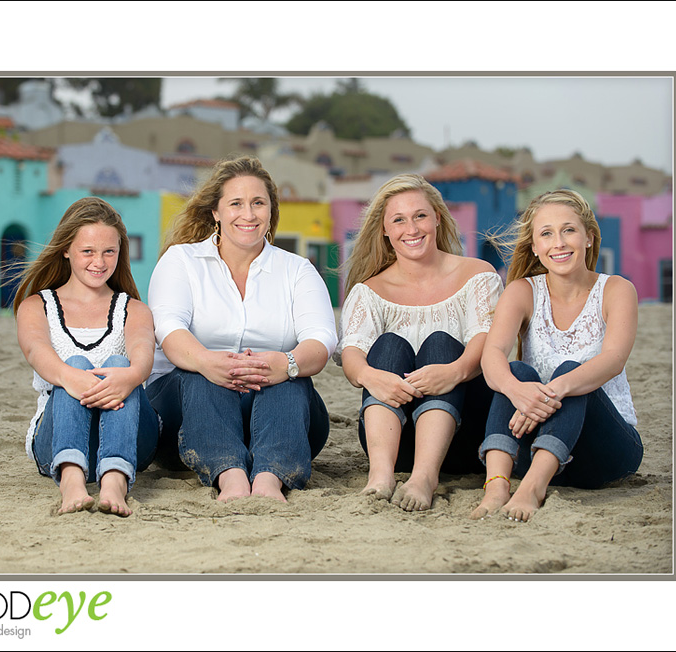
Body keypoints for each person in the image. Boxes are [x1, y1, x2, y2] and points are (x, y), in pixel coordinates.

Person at [146, 155, 337, 503]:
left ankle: (269, 479)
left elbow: (322, 338)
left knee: (286, 373)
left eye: (258, 203)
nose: (248, 214)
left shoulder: (297, 270)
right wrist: (208, 361)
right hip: (187, 414)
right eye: (236, 203)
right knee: (199, 372)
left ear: (270, 211)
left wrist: (284, 364)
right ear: (216, 212)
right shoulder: (181, 261)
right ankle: (230, 477)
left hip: (278, 416)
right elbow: (168, 329)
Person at [470, 189, 643, 522]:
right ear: (535, 246)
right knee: (516, 370)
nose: (559, 242)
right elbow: (491, 355)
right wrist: (514, 387)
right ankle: (496, 487)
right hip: (533, 448)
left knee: (572, 372)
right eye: (546, 234)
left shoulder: (617, 290)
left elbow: (613, 360)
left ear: (589, 237)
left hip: (605, 453)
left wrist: (556, 389)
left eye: (569, 230)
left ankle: (532, 489)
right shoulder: (522, 291)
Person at [336, 174, 503, 511]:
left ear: (437, 218)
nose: (411, 228)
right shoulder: (369, 292)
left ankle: (425, 477)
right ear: (384, 230)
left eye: (420, 216)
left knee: (440, 342)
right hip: (397, 441)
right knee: (389, 345)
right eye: (398, 219)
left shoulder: (477, 275)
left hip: (464, 433)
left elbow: (487, 342)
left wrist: (454, 372)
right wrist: (371, 376)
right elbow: (352, 355)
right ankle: (381, 475)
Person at [14, 197, 158, 517]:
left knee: (120, 366)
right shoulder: (36, 307)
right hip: (55, 441)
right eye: (88, 251)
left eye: (109, 251)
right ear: (66, 250)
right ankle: (71, 480)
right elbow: (37, 351)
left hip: (131, 437)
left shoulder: (134, 309)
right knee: (75, 364)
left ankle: (115, 480)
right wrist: (72, 377)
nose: (100, 261)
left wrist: (129, 378)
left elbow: (143, 354)